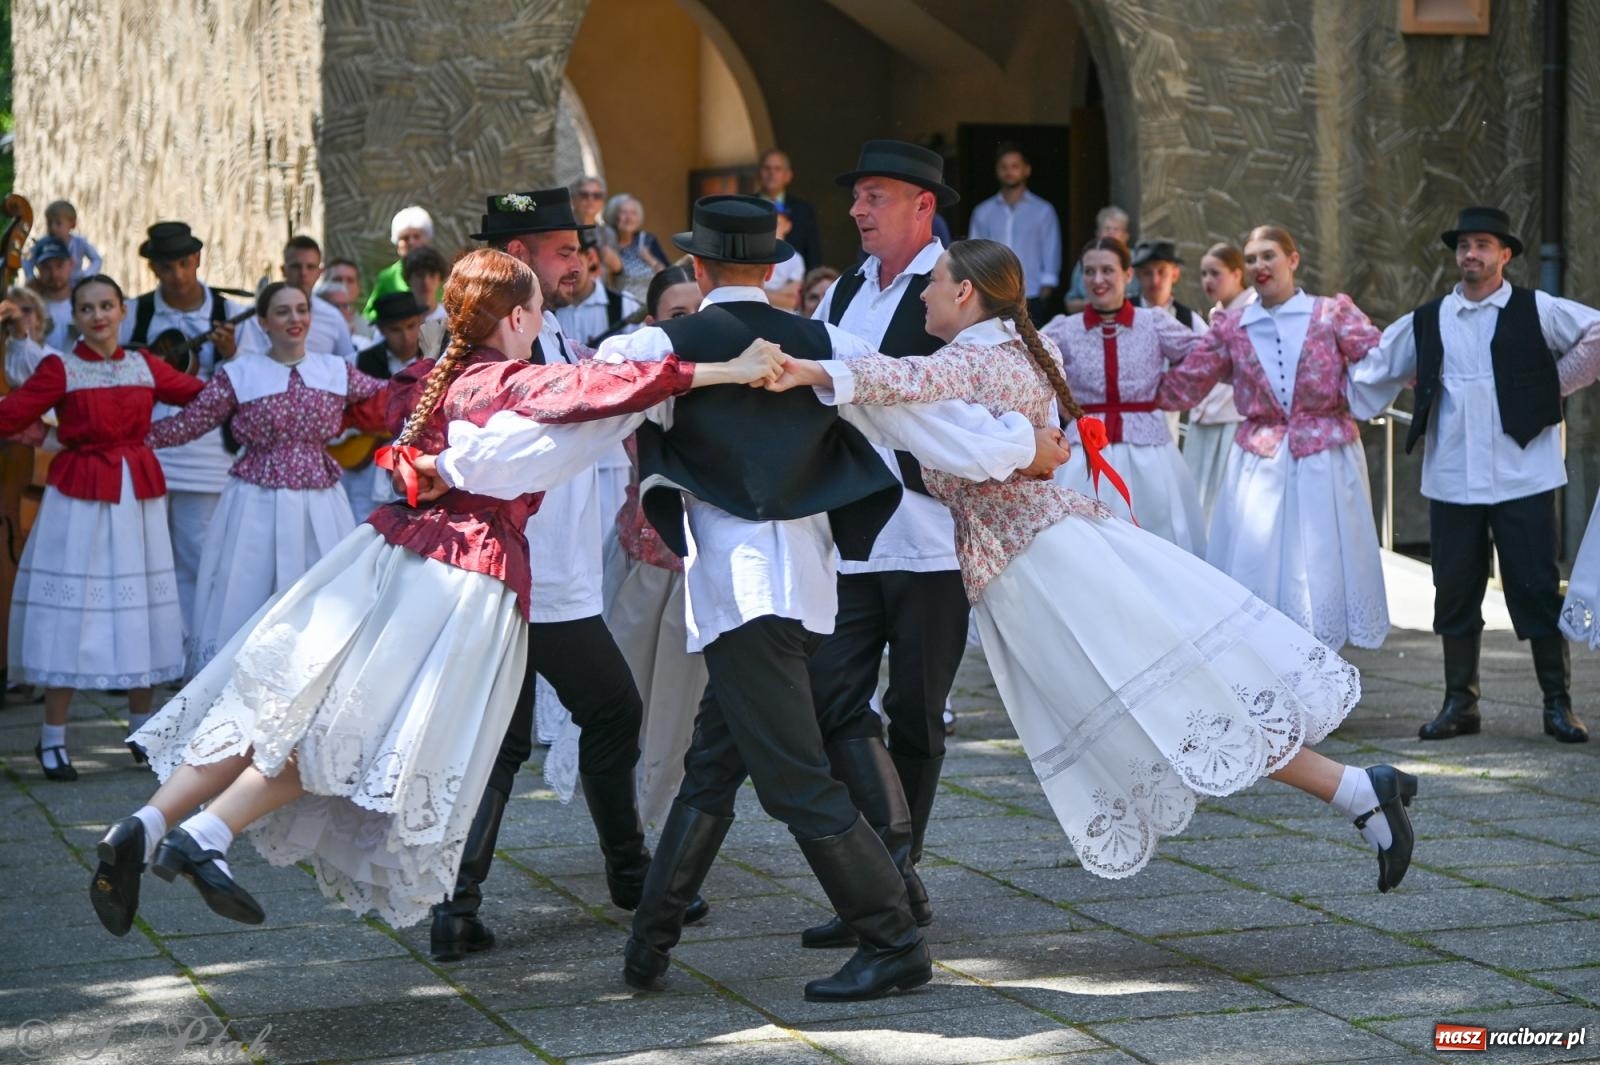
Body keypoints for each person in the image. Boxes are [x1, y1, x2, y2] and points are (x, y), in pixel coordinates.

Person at [428, 195, 1062, 1001]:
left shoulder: (660, 346)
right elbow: (924, 422)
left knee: (796, 779)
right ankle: (649, 943)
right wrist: (1021, 446)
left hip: (742, 589)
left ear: (698, 267)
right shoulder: (825, 341)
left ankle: (893, 937)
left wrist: (454, 464)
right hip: (807, 584)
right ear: (770, 268)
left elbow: (570, 433)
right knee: (713, 764)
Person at [87, 248, 774, 939]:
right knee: (346, 727)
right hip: (457, 574)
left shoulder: (426, 376)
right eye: (537, 312)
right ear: (516, 318)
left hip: (385, 551)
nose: (542, 325)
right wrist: (728, 370)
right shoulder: (503, 380)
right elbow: (606, 388)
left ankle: (151, 822)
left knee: (288, 702)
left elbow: (401, 409)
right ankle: (206, 832)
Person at [770, 237, 1419, 899]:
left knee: (1173, 700)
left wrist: (803, 370)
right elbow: (911, 402)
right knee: (1173, 699)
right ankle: (1356, 789)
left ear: (965, 292)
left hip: (1042, 564)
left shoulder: (973, 359)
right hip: (1046, 552)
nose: (924, 295)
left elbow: (903, 381)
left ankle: (1357, 789)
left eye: (933, 281)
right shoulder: (1026, 349)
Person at [422, 187, 708, 964]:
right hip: (526, 572)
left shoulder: (552, 334)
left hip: (548, 570)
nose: (579, 261)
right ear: (519, 259)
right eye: (563, 250)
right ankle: (628, 875)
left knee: (515, 733)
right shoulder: (492, 347)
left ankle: (459, 906)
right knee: (605, 712)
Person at [803, 140, 970, 950]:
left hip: (933, 536)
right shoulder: (844, 288)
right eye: (857, 196)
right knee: (832, 701)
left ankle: (887, 885)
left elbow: (988, 392)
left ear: (921, 206)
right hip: (852, 535)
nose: (856, 210)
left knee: (916, 712)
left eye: (874, 196)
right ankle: (887, 880)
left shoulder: (959, 285)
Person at [1358, 207, 1600, 742]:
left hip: (1524, 476)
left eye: (1483, 245)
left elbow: (1596, 332)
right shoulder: (1429, 319)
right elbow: (1375, 368)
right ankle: (1460, 704)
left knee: (1537, 588)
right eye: (1464, 245)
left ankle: (1557, 705)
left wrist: (1552, 385)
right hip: (1452, 478)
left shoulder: (1536, 308)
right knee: (1454, 590)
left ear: (1504, 254)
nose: (1471, 254)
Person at [0, 276, 205, 780]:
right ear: (75, 317)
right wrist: (47, 438)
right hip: (80, 499)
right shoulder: (61, 368)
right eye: (88, 308)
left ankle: (142, 729)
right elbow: (11, 415)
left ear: (122, 311)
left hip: (136, 496)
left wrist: (242, 365)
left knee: (142, 606)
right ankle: (52, 737)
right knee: (73, 612)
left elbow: (204, 398)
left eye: (107, 306)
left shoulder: (144, 364)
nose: (98, 316)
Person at [1155, 224, 1389, 650]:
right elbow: (1187, 381)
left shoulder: (1331, 313)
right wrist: (1121, 396)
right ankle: (1269, 659)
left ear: (1292, 260)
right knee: (1258, 560)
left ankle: (1324, 659)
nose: (1260, 265)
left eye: (1269, 256)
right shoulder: (1233, 327)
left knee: (1322, 561)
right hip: (1259, 461)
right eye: (1251, 259)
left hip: (1326, 459)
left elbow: (1383, 359)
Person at [146, 282, 389, 676]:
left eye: (301, 309)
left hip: (321, 499)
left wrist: (435, 372)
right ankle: (235, 683)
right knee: (246, 589)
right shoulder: (240, 374)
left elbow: (390, 398)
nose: (295, 319)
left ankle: (314, 679)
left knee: (323, 590)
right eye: (283, 311)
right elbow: (190, 423)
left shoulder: (335, 370)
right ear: (262, 322)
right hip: (255, 500)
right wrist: (130, 438)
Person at [120, 222, 253, 641]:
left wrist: (231, 353)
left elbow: (249, 384)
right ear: (153, 268)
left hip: (208, 456)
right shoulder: (134, 313)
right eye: (166, 266)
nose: (177, 275)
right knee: (143, 555)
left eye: (184, 263)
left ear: (197, 259)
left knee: (199, 554)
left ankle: (197, 649)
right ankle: (151, 647)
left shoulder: (230, 313)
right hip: (146, 450)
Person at [1041, 238, 1207, 555]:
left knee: (1157, 535)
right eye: (1089, 271)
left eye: (1107, 270)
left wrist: (1171, 390)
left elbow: (1203, 354)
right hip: (1084, 454)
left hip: (1149, 452)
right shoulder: (1065, 329)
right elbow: (1028, 362)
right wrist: (1058, 404)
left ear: (1127, 275)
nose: (1098, 279)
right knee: (1084, 543)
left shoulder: (1153, 322)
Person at [1185, 243, 1252, 523]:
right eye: (1203, 274)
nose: (1208, 280)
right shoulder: (1218, 313)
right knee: (1198, 503)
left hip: (1233, 419)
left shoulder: (1251, 311)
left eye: (1215, 273)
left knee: (1228, 504)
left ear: (1237, 274)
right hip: (1207, 415)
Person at [966, 143, 1061, 322]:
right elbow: (974, 254)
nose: (1009, 171)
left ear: (1027, 170)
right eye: (1004, 167)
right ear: (997, 170)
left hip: (1032, 293)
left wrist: (1047, 287)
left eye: (1015, 166)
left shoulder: (1043, 210)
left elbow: (1051, 249)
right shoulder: (983, 212)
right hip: (992, 294)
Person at [237, 236, 356, 362]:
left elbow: (349, 363)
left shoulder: (333, 318)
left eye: (310, 267)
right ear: (284, 270)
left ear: (320, 272)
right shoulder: (253, 316)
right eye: (296, 266)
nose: (303, 273)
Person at [556, 228, 642, 348]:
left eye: (573, 261)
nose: (567, 272)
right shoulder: (546, 311)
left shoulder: (625, 305)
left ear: (590, 258)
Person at [362, 206, 434, 321]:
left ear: (427, 240)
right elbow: (370, 317)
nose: (411, 242)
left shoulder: (438, 274)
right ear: (397, 244)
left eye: (416, 236)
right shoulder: (387, 277)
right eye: (405, 238)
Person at [1064, 206, 1140, 313]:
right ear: (1098, 233)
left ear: (1125, 236)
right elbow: (1070, 304)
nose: (1111, 233)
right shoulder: (1087, 260)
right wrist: (1096, 301)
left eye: (1116, 229)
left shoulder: (1137, 260)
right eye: (1107, 229)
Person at [758, 148, 822, 270]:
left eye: (777, 169)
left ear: (788, 176)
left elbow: (813, 252)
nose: (771, 173)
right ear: (759, 173)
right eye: (767, 168)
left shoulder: (803, 209)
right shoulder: (747, 206)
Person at [605, 194, 670, 305]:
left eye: (633, 213)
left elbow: (668, 276)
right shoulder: (608, 243)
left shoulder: (647, 240)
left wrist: (651, 260)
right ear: (614, 215)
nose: (629, 218)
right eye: (624, 212)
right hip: (622, 307)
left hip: (650, 306)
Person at [1132, 240, 1205, 334]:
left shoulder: (1190, 321)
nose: (1155, 280)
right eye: (1147, 273)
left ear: (1175, 274)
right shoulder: (1124, 313)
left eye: (1162, 272)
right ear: (1138, 275)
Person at [25, 200, 103, 284]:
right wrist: (31, 277)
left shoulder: (80, 242)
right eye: (49, 223)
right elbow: (27, 260)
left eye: (58, 223)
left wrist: (86, 275)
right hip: (51, 284)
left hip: (75, 284)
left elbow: (97, 259)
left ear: (72, 225)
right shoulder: (42, 243)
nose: (53, 228)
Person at [27, 237, 76, 351]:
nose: (54, 273)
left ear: (71, 264)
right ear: (37, 268)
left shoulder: (88, 304)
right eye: (46, 267)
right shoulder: (29, 308)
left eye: (59, 265)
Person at [571, 175, 625, 280]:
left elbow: (620, 282)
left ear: (602, 202)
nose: (590, 199)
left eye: (597, 196)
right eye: (584, 195)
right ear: (573, 199)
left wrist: (618, 268)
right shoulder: (564, 230)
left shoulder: (608, 233)